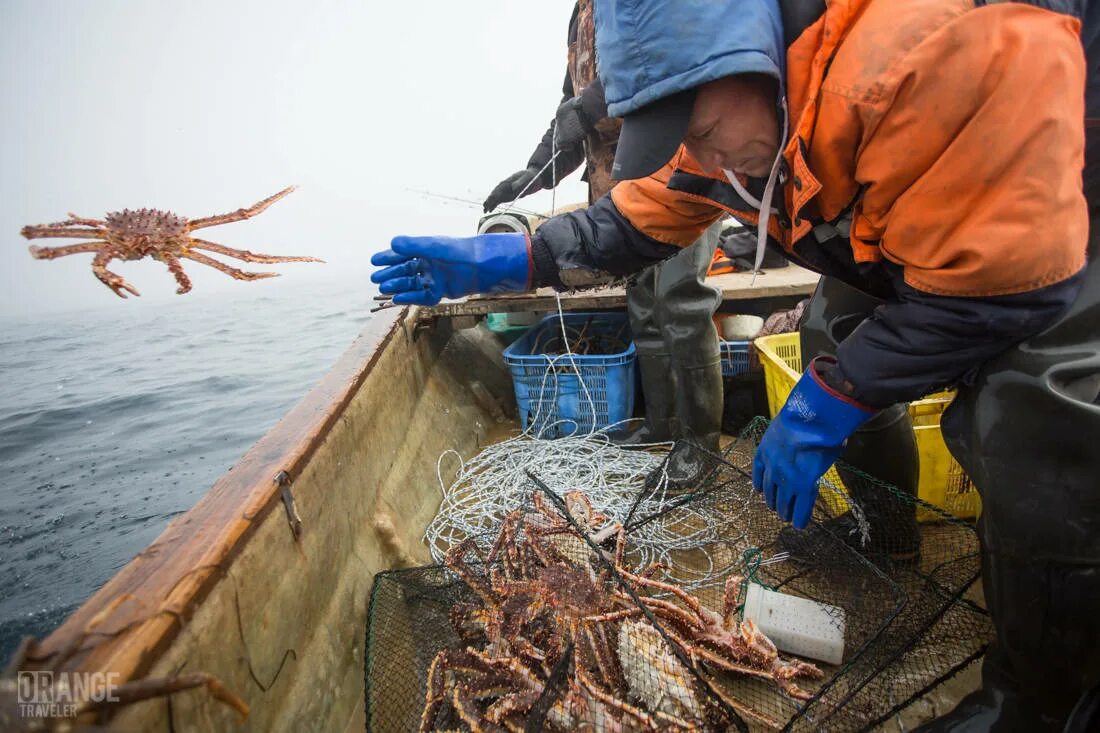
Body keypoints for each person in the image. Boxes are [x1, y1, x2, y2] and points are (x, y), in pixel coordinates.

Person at [374, 1, 1100, 728]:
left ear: (752, 57)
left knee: (1033, 410)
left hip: (1060, 198)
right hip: (941, 197)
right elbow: (642, 215)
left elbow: (1007, 288)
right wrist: (517, 257)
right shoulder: (745, 104)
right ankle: (891, 534)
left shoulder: (923, 53)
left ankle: (1042, 698)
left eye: (707, 132)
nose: (709, 158)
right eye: (686, 137)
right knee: (832, 328)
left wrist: (831, 401)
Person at [481, 0, 726, 488]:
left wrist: (590, 104)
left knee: (680, 303)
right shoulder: (580, 17)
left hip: (680, 167)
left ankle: (702, 448)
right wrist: (535, 169)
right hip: (616, 189)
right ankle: (662, 425)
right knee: (644, 306)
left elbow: (672, 52)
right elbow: (571, 113)